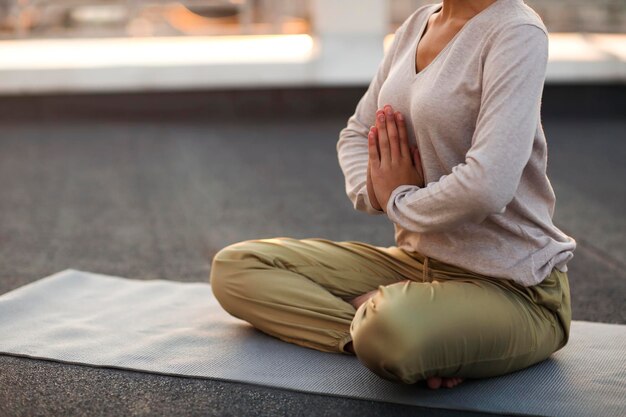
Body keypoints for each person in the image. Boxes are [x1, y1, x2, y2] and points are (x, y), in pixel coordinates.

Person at [209, 0, 576, 390]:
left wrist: (399, 200)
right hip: (416, 264)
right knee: (237, 268)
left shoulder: (516, 31)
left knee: (394, 328)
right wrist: (380, 192)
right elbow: (356, 133)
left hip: (514, 288)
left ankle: (393, 328)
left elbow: (489, 185)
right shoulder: (420, 21)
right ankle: (377, 331)